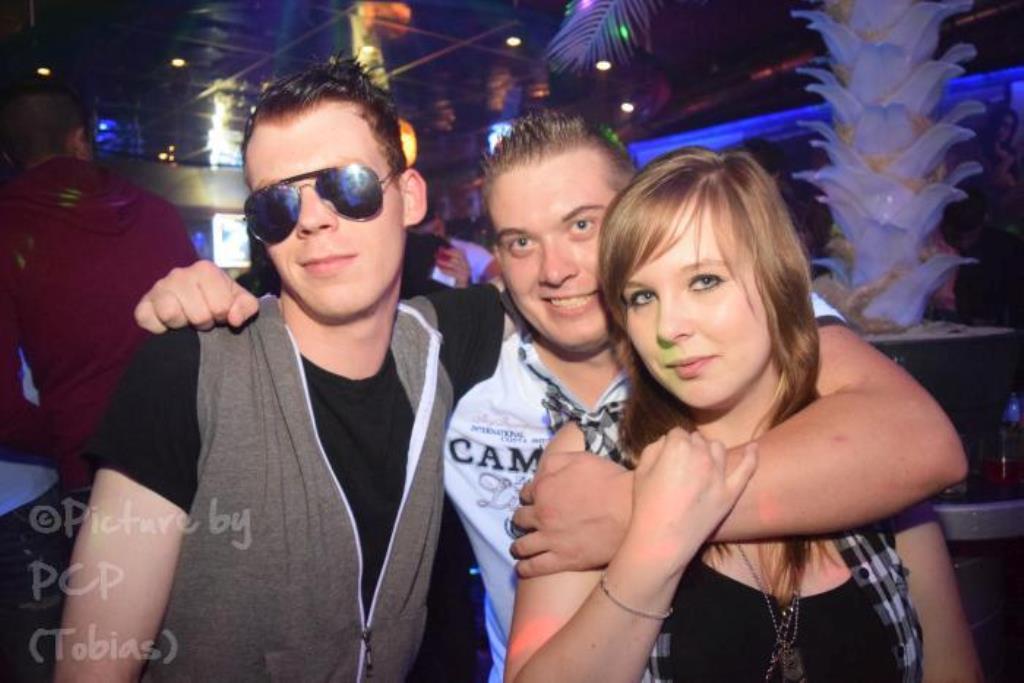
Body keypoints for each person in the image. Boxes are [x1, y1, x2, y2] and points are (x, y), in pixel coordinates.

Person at [135, 112, 968, 682]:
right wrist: (222, 303)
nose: (557, 269)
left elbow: (921, 442)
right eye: (519, 241)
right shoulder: (459, 356)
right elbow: (334, 325)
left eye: (582, 224)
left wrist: (637, 510)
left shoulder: (736, 325)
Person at [56, 57, 506, 681]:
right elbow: (93, 669)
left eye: (348, 186)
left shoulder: (442, 342)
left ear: (409, 197)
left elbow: (571, 283)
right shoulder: (188, 370)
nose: (313, 218)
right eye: (276, 205)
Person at [506, 147, 980, 682]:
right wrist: (652, 545)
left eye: (704, 281)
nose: (669, 327)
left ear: (778, 280)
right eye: (641, 297)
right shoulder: (594, 456)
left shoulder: (870, 456)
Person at [0, 80, 196, 681]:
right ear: (82, 140)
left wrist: (77, 434)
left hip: (91, 483)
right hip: (192, 463)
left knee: (98, 655)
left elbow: (4, 409)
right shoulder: (158, 213)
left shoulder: (6, 227)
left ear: (9, 153)